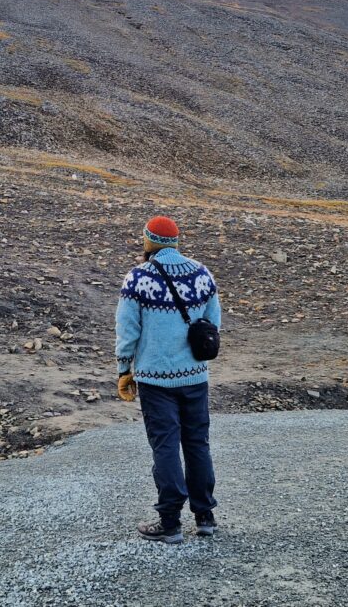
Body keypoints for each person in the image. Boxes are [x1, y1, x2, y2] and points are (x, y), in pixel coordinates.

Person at [115, 215, 221, 544]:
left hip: (155, 380)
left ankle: (170, 522)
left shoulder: (137, 279)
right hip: (194, 376)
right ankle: (205, 517)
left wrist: (123, 369)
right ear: (175, 242)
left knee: (165, 446)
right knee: (197, 443)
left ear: (149, 242)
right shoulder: (202, 274)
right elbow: (212, 323)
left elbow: (127, 330)